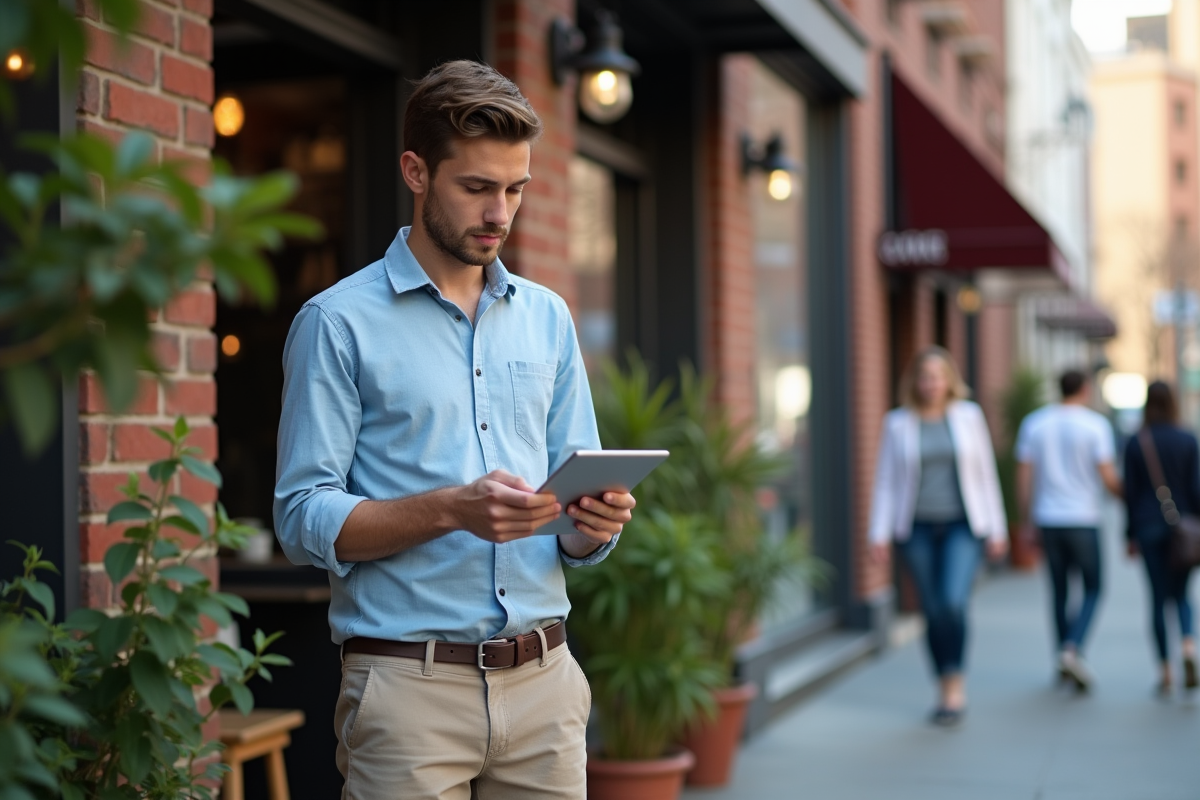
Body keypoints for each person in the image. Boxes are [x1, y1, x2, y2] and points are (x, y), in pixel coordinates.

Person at [273, 61, 637, 799]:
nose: (499, 213)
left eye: (515, 189)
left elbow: (575, 513)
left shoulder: (549, 317)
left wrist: (594, 524)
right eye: (476, 188)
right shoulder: (337, 324)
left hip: (545, 688)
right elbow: (300, 515)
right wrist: (450, 510)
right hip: (408, 691)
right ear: (416, 171)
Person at [870, 346, 1008, 726]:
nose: (931, 384)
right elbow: (885, 482)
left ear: (949, 380)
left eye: (937, 377)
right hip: (915, 529)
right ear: (915, 381)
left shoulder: (968, 417)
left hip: (963, 526)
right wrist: (877, 533)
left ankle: (955, 681)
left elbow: (985, 475)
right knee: (931, 610)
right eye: (924, 377)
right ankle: (942, 684)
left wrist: (998, 529)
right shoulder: (897, 423)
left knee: (952, 602)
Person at [1015, 369, 1121, 693]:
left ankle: (1063, 658)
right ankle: (1072, 649)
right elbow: (1108, 477)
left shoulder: (1034, 423)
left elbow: (1024, 478)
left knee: (1059, 592)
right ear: (1085, 389)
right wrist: (1132, 496)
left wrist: (1025, 520)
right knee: (1093, 588)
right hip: (1083, 518)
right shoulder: (1095, 425)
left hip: (1048, 518)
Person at [1123, 380, 1200, 696]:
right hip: (1184, 529)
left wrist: (1129, 534)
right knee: (1181, 595)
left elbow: (1130, 493)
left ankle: (1165, 670)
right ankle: (1187, 646)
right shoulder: (1187, 439)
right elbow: (1197, 489)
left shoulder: (1136, 442)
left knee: (1157, 599)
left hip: (1148, 527)